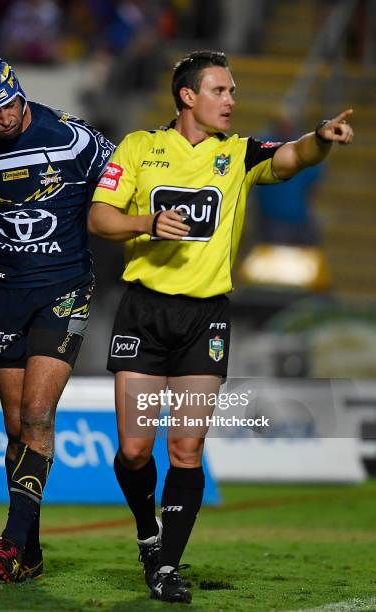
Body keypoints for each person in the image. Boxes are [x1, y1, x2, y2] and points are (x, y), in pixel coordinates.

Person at [88, 49, 353, 604]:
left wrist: (320, 139)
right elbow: (100, 217)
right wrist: (148, 222)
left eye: (232, 92)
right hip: (144, 311)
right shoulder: (139, 147)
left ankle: (165, 567)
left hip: (204, 319)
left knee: (186, 448)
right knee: (135, 451)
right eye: (220, 91)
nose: (231, 101)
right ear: (188, 96)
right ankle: (146, 530)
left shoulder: (241, 153)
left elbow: (290, 159)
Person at [0, 54, 114, 583]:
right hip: (4, 296)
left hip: (64, 289)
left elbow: (118, 179)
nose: (4, 117)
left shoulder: (73, 139)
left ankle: (10, 540)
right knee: (16, 427)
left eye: (9, 104)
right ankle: (33, 553)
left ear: (20, 93)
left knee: (39, 414)